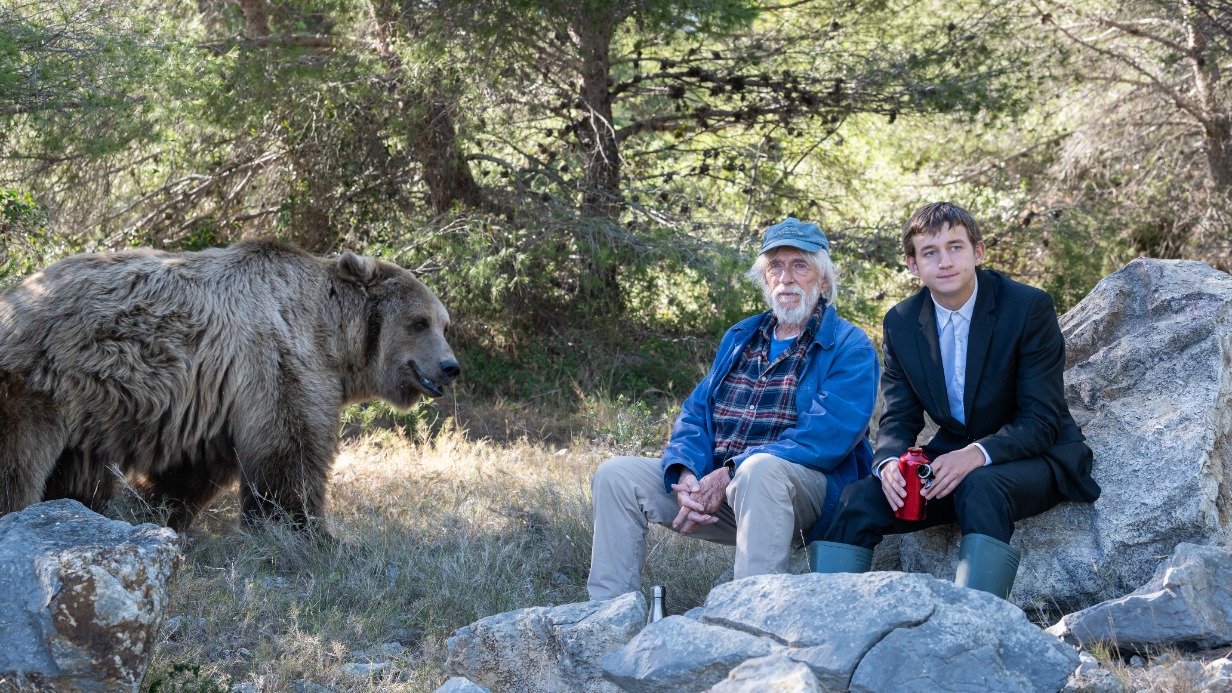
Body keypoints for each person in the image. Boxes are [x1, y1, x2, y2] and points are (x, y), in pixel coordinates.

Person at [810, 202, 1101, 599]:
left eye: (955, 247)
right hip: (952, 463)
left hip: (1038, 457)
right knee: (859, 497)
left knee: (980, 486)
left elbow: (1042, 418)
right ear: (913, 265)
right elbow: (898, 416)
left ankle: (976, 627)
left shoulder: (1027, 307)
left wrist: (977, 454)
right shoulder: (901, 322)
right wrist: (888, 463)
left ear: (978, 252)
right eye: (929, 252)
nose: (944, 261)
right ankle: (823, 618)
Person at [586, 218, 880, 601]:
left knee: (759, 470)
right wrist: (689, 472)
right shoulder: (742, 337)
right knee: (616, 475)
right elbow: (697, 413)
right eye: (775, 266)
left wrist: (730, 471)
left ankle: (748, 618)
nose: (785, 278)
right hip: (727, 491)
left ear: (822, 281)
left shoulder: (850, 345)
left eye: (799, 265)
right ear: (764, 279)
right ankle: (606, 616)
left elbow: (826, 437)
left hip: (804, 497)